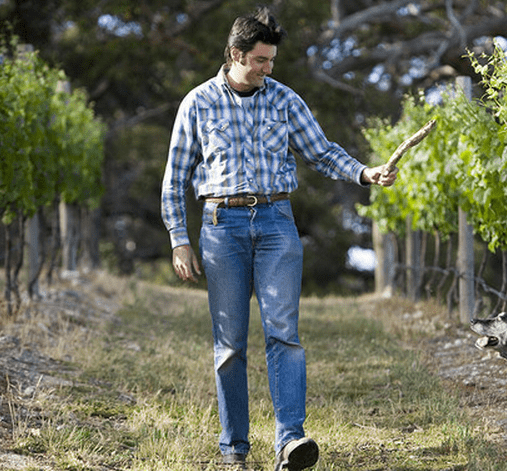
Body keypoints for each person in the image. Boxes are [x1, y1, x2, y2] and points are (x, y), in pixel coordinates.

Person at [160, 6, 398, 470]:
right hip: (219, 226)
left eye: (272, 60)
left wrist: (365, 173)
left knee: (283, 334)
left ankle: (291, 441)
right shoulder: (198, 103)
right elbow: (174, 178)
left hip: (276, 224)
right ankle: (234, 448)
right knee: (229, 343)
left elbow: (322, 152)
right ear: (236, 54)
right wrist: (178, 238)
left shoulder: (285, 100)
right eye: (262, 60)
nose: (270, 69)